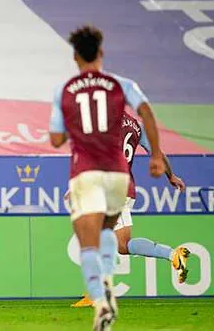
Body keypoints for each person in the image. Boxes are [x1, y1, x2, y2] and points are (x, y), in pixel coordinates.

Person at [49, 25, 165, 330]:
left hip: (86, 173)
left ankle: (100, 300)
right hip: (118, 176)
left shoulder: (65, 90)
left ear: (75, 57)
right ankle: (106, 288)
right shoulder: (122, 85)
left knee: (88, 242)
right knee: (107, 235)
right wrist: (155, 157)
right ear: (101, 53)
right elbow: (148, 114)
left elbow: (57, 139)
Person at [71, 112, 189, 308]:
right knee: (123, 245)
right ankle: (173, 255)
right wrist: (171, 176)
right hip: (126, 188)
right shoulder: (135, 125)